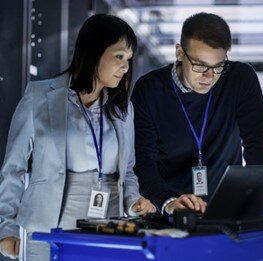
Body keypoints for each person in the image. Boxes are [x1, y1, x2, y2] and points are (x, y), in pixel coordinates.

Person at [0, 14, 156, 260]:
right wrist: (5, 228)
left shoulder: (123, 110)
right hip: (49, 227)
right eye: (119, 56)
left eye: (129, 59)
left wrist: (133, 202)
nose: (126, 67)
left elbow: (127, 173)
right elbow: (13, 169)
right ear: (94, 52)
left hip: (107, 229)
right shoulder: (39, 97)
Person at [132, 12, 263, 215]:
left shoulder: (239, 79)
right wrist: (168, 201)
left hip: (226, 207)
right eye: (200, 65)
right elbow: (143, 160)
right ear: (179, 53)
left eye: (218, 66)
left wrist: (250, 199)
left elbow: (257, 143)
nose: (209, 76)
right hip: (170, 207)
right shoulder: (149, 89)